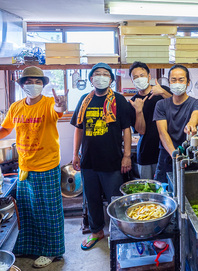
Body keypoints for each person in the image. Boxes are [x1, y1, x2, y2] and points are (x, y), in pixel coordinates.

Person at [0, 66, 67, 268]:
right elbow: (6, 128)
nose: (34, 85)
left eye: (38, 82)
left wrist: (61, 105)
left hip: (46, 165)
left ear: (44, 85)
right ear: (22, 85)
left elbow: (58, 111)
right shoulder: (16, 107)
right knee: (28, 210)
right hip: (25, 166)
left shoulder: (48, 104)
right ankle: (29, 247)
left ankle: (53, 251)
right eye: (29, 81)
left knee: (49, 211)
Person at [70, 63, 132, 250]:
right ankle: (96, 231)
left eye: (106, 74)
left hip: (112, 160)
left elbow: (126, 129)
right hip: (89, 160)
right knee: (92, 198)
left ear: (111, 80)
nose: (101, 77)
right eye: (97, 74)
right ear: (91, 79)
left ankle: (119, 232)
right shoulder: (84, 100)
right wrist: (75, 154)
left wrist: (127, 156)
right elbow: (79, 129)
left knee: (115, 199)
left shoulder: (119, 101)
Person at [153, 64, 198, 183]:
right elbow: (162, 133)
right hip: (167, 157)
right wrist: (174, 155)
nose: (177, 83)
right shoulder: (161, 105)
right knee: (165, 192)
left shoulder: (195, 103)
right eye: (173, 80)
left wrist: (191, 123)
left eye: (181, 80)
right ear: (169, 83)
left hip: (189, 156)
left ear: (188, 82)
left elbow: (196, 114)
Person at [129, 61, 172, 179]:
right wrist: (139, 111)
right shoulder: (133, 102)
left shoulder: (162, 90)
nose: (139, 79)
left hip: (168, 150)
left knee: (169, 188)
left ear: (149, 76)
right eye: (135, 77)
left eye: (142, 75)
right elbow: (141, 131)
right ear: (132, 81)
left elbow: (178, 105)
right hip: (146, 153)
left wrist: (163, 92)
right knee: (148, 191)